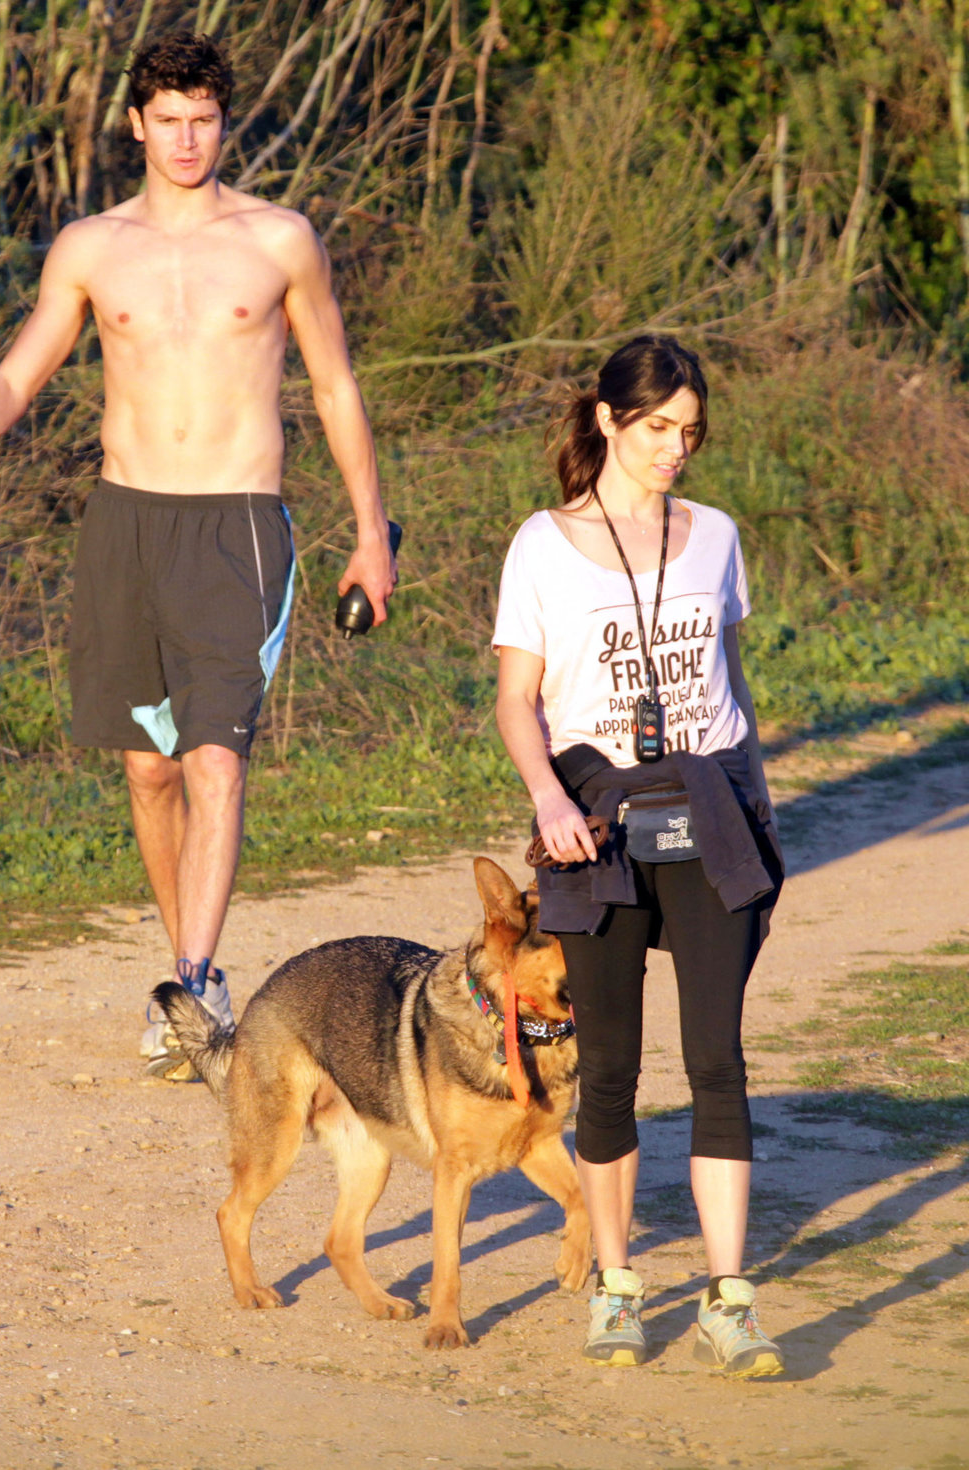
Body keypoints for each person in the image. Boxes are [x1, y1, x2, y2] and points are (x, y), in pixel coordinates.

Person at [0, 30, 396, 1076]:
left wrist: (368, 535)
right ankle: (191, 978)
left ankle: (193, 980)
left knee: (215, 757)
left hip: (237, 524)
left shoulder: (280, 240)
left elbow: (335, 386)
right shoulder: (91, 247)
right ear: (135, 124)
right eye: (167, 119)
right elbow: (17, 376)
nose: (186, 139)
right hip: (125, 523)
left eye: (203, 119)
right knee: (148, 769)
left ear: (225, 122)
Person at [493, 334, 785, 1377]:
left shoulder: (717, 537)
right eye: (658, 427)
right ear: (608, 419)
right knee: (609, 1069)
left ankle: (728, 1301)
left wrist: (757, 811)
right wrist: (546, 798)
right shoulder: (541, 544)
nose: (675, 449)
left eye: (690, 432)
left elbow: (731, 682)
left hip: (709, 813)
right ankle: (616, 1289)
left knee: (718, 1062)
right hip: (596, 823)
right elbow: (515, 700)